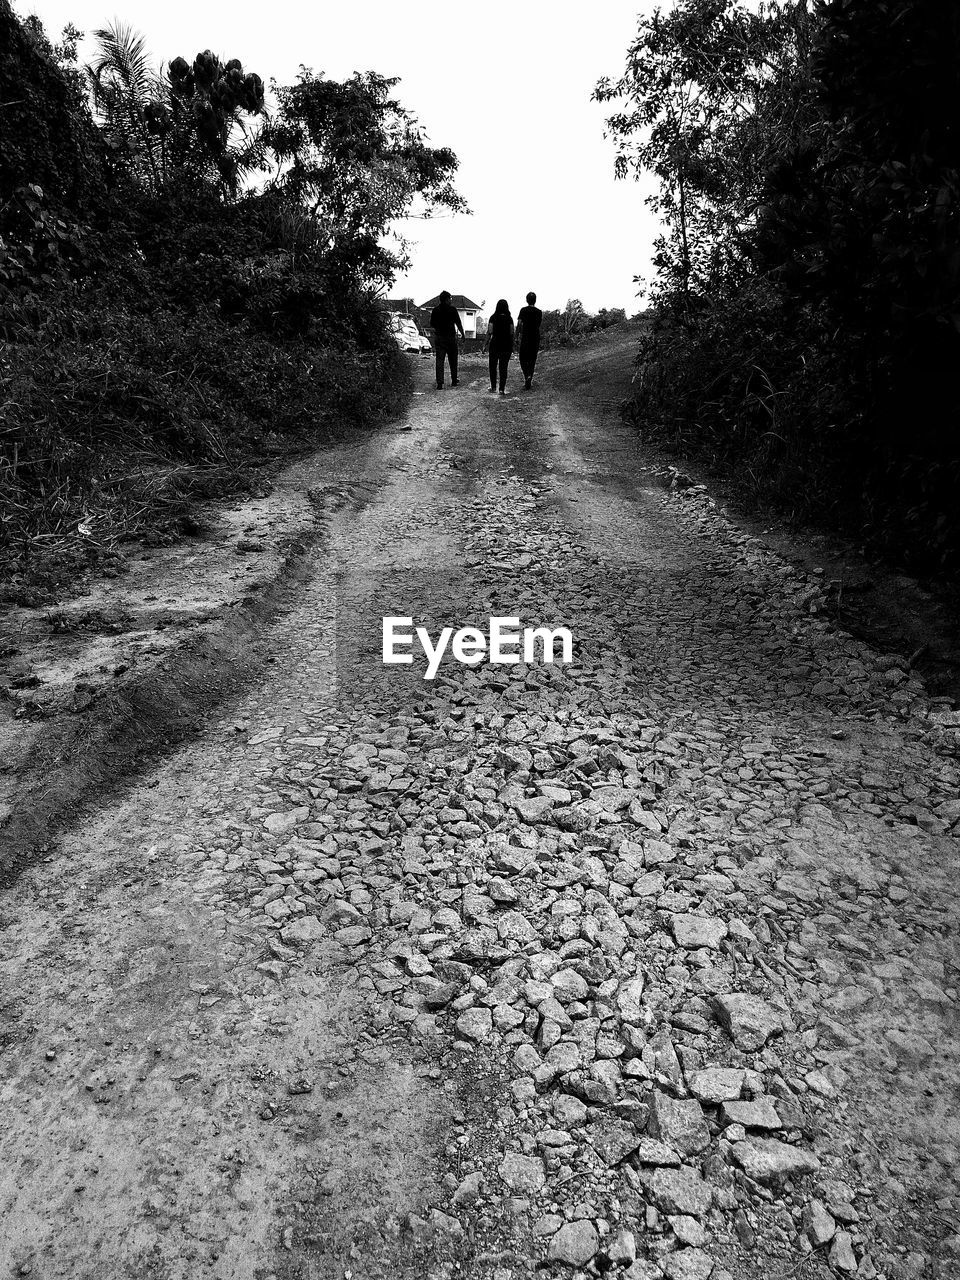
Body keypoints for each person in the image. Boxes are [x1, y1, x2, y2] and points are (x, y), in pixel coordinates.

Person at [429, 290, 465, 389]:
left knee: (439, 361)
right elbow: (458, 323)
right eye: (450, 298)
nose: (451, 300)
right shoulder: (452, 310)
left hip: (440, 338)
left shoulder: (436, 310)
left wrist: (437, 331)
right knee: (453, 360)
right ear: (446, 299)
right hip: (450, 338)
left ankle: (440, 383)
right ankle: (454, 380)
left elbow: (432, 324)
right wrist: (463, 334)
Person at [485, 298, 514, 396]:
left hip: (495, 344)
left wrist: (485, 344)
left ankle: (493, 387)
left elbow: (489, 332)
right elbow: (511, 333)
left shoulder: (493, 317)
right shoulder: (509, 319)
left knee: (492, 366)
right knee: (503, 367)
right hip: (506, 345)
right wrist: (513, 345)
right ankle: (502, 389)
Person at [516, 291, 543, 390]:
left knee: (522, 358)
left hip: (525, 337)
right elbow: (538, 325)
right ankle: (529, 377)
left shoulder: (523, 310)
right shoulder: (539, 312)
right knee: (532, 358)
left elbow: (519, 324)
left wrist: (516, 336)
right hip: (535, 337)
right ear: (535, 300)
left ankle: (526, 375)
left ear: (526, 300)